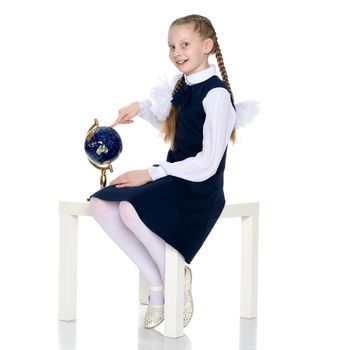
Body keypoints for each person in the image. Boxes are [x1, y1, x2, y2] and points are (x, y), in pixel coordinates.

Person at [89, 14, 260, 330]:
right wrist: (139, 109)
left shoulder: (217, 95)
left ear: (207, 46)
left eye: (185, 44)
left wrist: (151, 173)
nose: (177, 52)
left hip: (200, 184)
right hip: (173, 175)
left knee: (129, 207)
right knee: (100, 203)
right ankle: (158, 284)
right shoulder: (183, 88)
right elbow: (171, 129)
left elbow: (208, 162)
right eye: (171, 46)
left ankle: (176, 275)